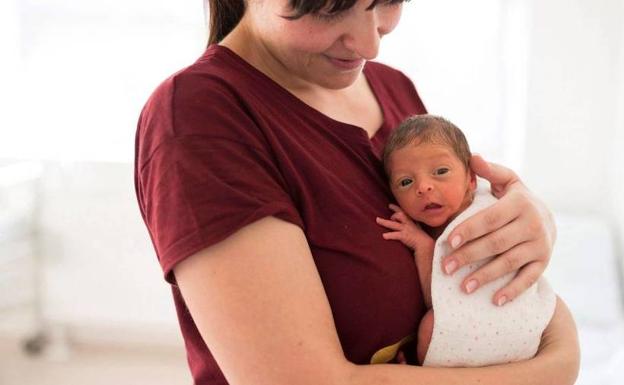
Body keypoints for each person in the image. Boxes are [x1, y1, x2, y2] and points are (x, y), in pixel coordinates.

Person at [133, 1, 579, 384]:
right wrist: (556, 364)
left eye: (388, 0)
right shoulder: (200, 118)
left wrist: (528, 233)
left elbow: (466, 277)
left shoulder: (394, 89)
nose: (370, 45)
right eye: (332, 7)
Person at [376, 114, 556, 367]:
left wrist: (422, 245)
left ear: (472, 179)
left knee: (432, 327)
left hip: (519, 324)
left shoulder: (477, 218)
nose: (424, 187)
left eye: (440, 171)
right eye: (406, 181)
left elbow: (440, 296)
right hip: (531, 346)